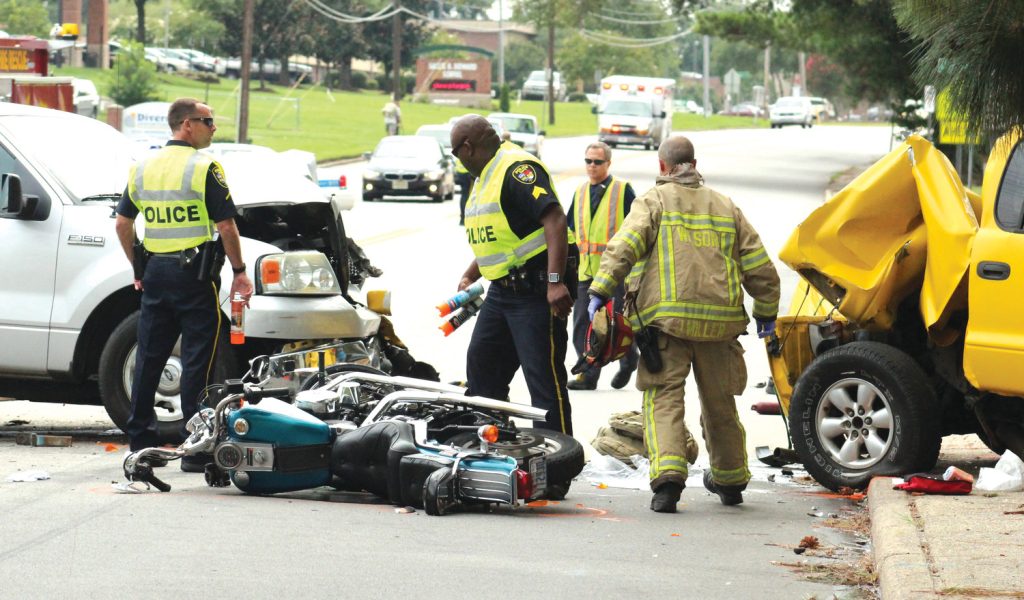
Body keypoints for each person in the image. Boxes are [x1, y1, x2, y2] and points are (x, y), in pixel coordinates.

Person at [588, 135, 780, 513]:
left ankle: (668, 484)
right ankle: (730, 481)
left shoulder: (653, 201)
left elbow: (623, 248)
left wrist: (600, 290)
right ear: (694, 163)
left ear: (663, 167)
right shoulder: (726, 207)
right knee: (720, 404)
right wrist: (767, 315)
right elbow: (760, 267)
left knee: (663, 401)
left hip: (666, 327)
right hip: (720, 328)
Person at [114, 97, 253, 472]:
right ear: (186, 125)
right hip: (194, 277)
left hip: (156, 273)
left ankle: (141, 444)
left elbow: (123, 225)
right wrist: (240, 272)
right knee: (197, 360)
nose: (213, 128)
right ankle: (196, 448)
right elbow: (226, 226)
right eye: (208, 121)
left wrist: (138, 267)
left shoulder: (142, 168)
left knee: (149, 357)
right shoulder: (204, 166)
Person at [450, 114, 577, 436]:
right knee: (482, 369)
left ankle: (557, 464)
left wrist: (555, 282)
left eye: (454, 152)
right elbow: (506, 238)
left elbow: (555, 220)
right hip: (502, 292)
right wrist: (470, 272)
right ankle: (491, 445)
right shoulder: (484, 177)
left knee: (543, 380)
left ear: (467, 148)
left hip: (536, 290)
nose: (456, 160)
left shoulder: (517, 169)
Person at [566, 141, 639, 391]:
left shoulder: (623, 191)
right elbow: (569, 229)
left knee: (616, 324)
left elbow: (639, 227)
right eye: (588, 161)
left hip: (615, 271)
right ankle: (588, 374)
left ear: (608, 163)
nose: (592, 166)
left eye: (598, 162)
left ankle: (629, 359)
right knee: (581, 325)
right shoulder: (580, 193)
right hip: (586, 272)